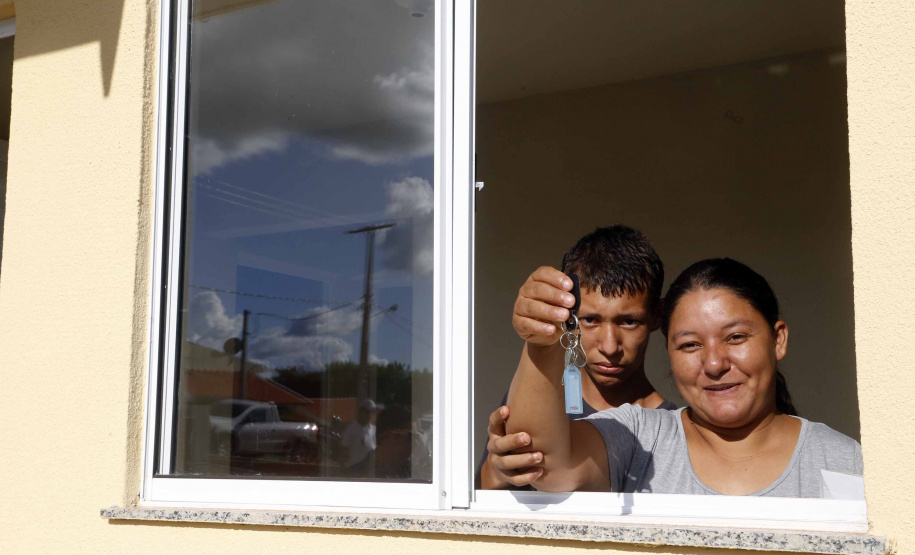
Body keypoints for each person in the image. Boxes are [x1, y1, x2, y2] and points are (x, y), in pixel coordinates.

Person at [504, 258, 862, 497]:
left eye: (735, 337)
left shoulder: (845, 463)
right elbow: (543, 462)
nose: (714, 363)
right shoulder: (639, 437)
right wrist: (541, 344)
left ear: (777, 339)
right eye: (690, 345)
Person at [478, 225, 677, 489]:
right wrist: (496, 471)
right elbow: (481, 505)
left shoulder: (672, 429)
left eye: (628, 321)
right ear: (568, 315)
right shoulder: (539, 397)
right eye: (591, 320)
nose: (609, 346)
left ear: (657, 317)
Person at [340, 399, 378, 476]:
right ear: (361, 412)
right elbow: (344, 449)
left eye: (372, 412)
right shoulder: (351, 429)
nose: (369, 414)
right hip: (354, 470)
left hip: (369, 470)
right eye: (367, 412)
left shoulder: (374, 430)